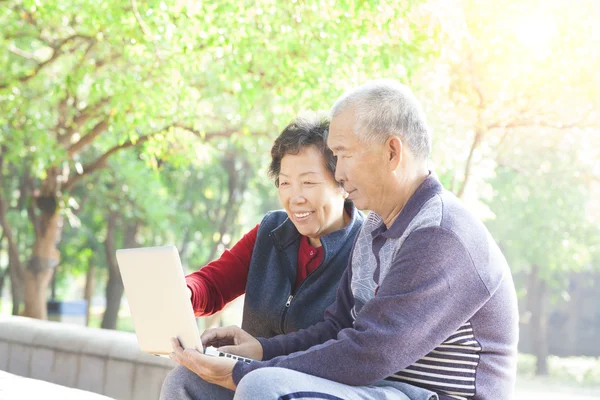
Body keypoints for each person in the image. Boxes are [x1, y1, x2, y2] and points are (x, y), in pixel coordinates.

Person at [163, 80, 519, 400]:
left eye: (344, 155)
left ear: (392, 152)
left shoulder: (439, 234)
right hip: (374, 385)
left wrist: (245, 372)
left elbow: (370, 352)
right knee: (188, 382)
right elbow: (336, 328)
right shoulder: (377, 226)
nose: (341, 172)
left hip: (425, 394)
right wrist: (260, 353)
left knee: (261, 387)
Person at [161, 112, 365, 398]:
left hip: (314, 382)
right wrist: (185, 292)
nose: (295, 197)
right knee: (183, 380)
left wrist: (263, 353)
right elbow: (214, 284)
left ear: (342, 184)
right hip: (249, 375)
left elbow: (347, 342)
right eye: (284, 183)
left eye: (308, 183)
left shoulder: (367, 248)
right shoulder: (271, 231)